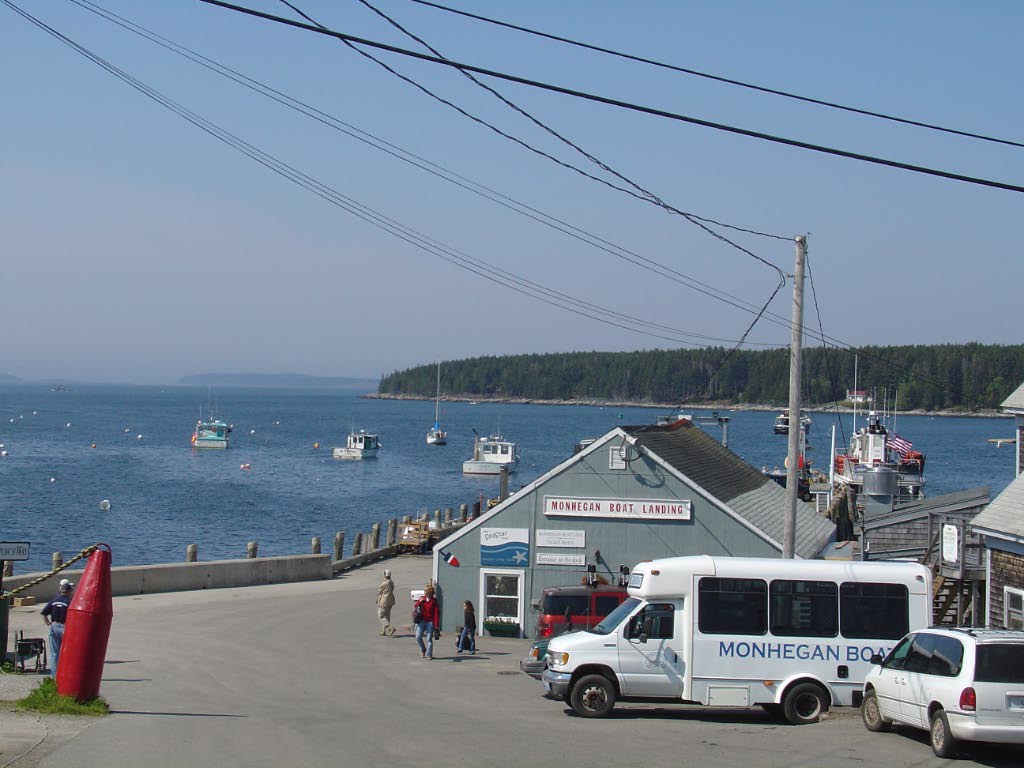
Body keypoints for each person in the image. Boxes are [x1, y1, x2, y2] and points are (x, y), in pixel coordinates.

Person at [41, 578, 74, 677]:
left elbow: (43, 613)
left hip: (54, 626)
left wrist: (48, 624)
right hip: (65, 627)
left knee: (54, 653)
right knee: (67, 652)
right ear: (69, 591)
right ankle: (65, 673)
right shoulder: (70, 602)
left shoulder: (54, 600)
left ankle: (54, 675)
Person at [413, 584, 440, 659]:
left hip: (430, 622)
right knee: (418, 637)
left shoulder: (434, 601)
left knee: (429, 639)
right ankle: (423, 649)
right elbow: (416, 606)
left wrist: (436, 624)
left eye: (426, 591)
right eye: (425, 591)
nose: (425, 592)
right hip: (422, 621)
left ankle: (429, 654)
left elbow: (436, 614)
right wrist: (419, 602)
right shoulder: (422, 599)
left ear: (430, 592)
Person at [376, 569, 396, 636]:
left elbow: (379, 591)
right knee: (387, 616)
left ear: (384, 575)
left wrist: (378, 599)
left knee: (381, 616)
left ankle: (389, 627)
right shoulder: (391, 582)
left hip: (384, 601)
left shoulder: (384, 583)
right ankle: (384, 631)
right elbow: (393, 589)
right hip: (390, 600)